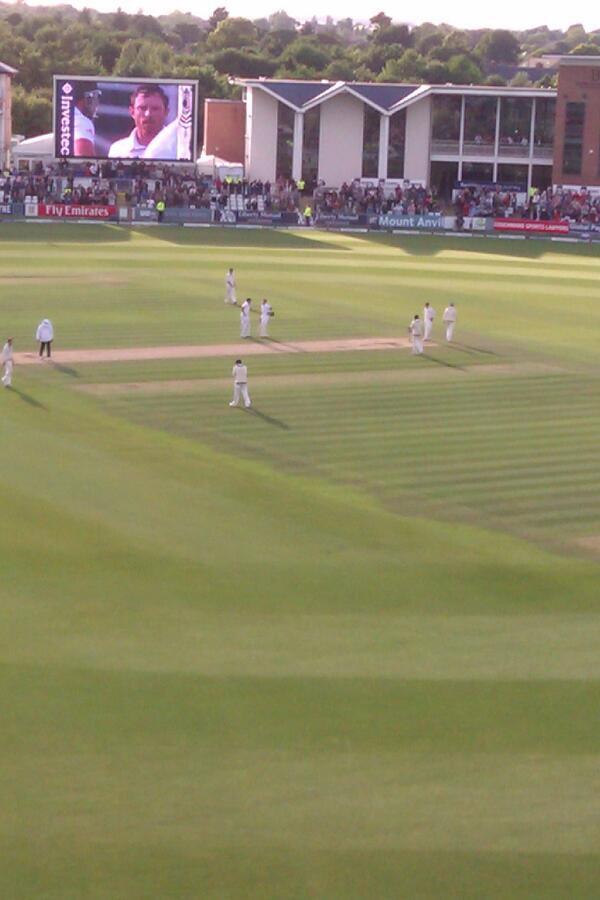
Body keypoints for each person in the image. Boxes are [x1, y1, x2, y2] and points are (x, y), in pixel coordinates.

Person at [108, 84, 170, 159]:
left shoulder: (178, 148)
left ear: (166, 112)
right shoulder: (118, 151)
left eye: (155, 109)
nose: (148, 114)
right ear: (132, 112)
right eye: (142, 108)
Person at [73, 82, 101, 157]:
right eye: (96, 96)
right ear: (87, 98)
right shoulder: (82, 122)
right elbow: (84, 158)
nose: (98, 102)